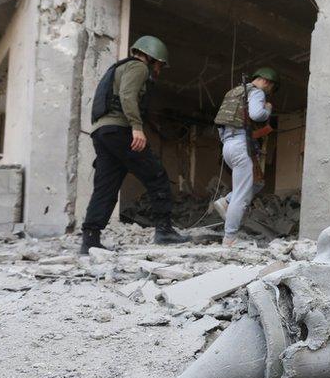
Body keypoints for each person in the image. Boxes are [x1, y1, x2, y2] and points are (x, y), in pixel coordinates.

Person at [80, 36, 188, 254]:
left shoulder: (118, 69)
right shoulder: (139, 67)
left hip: (102, 132)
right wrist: (136, 128)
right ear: (151, 57)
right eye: (159, 64)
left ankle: (90, 240)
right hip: (121, 130)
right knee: (156, 175)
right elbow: (128, 95)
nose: (159, 69)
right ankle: (164, 231)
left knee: (106, 186)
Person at [211, 67, 278, 247]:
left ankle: (226, 201)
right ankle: (230, 238)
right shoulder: (256, 93)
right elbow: (257, 114)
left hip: (227, 145)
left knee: (253, 184)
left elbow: (221, 122)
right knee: (242, 194)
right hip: (241, 145)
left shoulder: (233, 93)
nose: (269, 92)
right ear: (266, 81)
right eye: (270, 88)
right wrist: (268, 110)